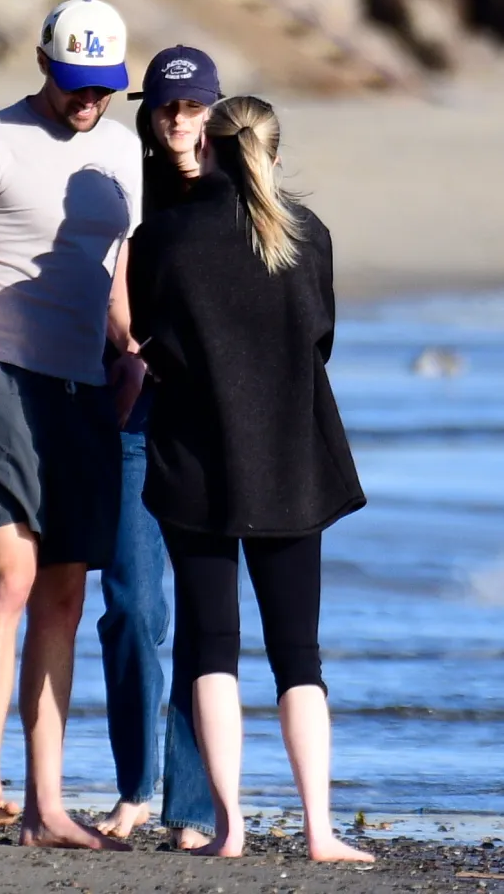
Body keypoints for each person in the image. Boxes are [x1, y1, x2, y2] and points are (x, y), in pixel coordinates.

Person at [127, 95, 376, 863]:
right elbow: (320, 340)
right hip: (293, 460)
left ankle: (229, 828)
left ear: (211, 144)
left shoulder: (163, 235)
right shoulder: (312, 235)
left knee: (214, 648)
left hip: (197, 460)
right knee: (299, 652)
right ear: (271, 150)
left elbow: (149, 341)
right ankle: (320, 829)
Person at [0, 0, 145, 850]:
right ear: (43, 64)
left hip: (87, 388)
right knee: (8, 579)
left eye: (103, 86)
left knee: (64, 589)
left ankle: (45, 805)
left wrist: (127, 355)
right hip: (5, 377)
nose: (88, 99)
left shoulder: (122, 152)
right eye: (75, 81)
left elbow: (112, 274)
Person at [96, 47, 220, 847]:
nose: (177, 119)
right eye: (165, 107)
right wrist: (132, 347)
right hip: (137, 412)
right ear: (149, 110)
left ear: (212, 108)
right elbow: (110, 271)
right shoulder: (126, 175)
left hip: (214, 424)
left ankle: (195, 805)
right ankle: (136, 787)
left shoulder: (239, 188)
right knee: (135, 606)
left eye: (192, 106)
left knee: (208, 618)